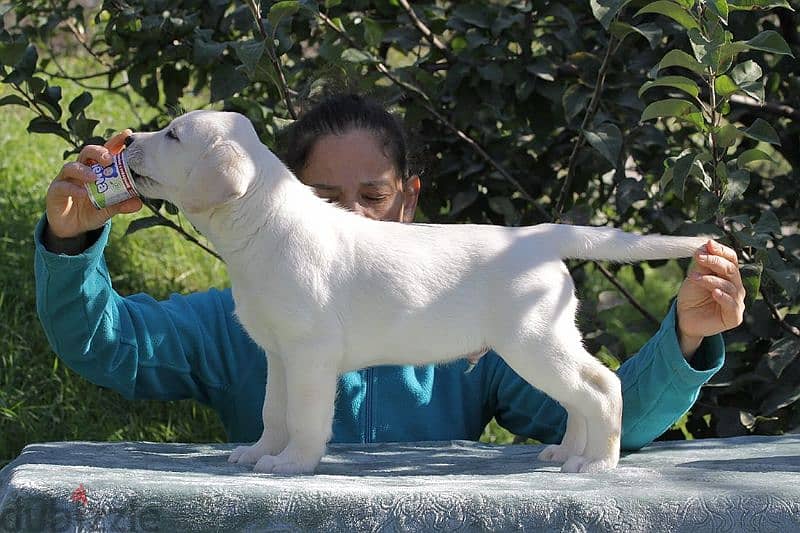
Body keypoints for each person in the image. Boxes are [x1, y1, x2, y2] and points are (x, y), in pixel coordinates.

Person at [34, 93, 744, 451]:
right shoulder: (230, 319)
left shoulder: (476, 335)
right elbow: (105, 345)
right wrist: (71, 245)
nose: (352, 217)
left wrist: (683, 340)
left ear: (410, 199)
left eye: (371, 196)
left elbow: (598, 409)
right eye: (325, 200)